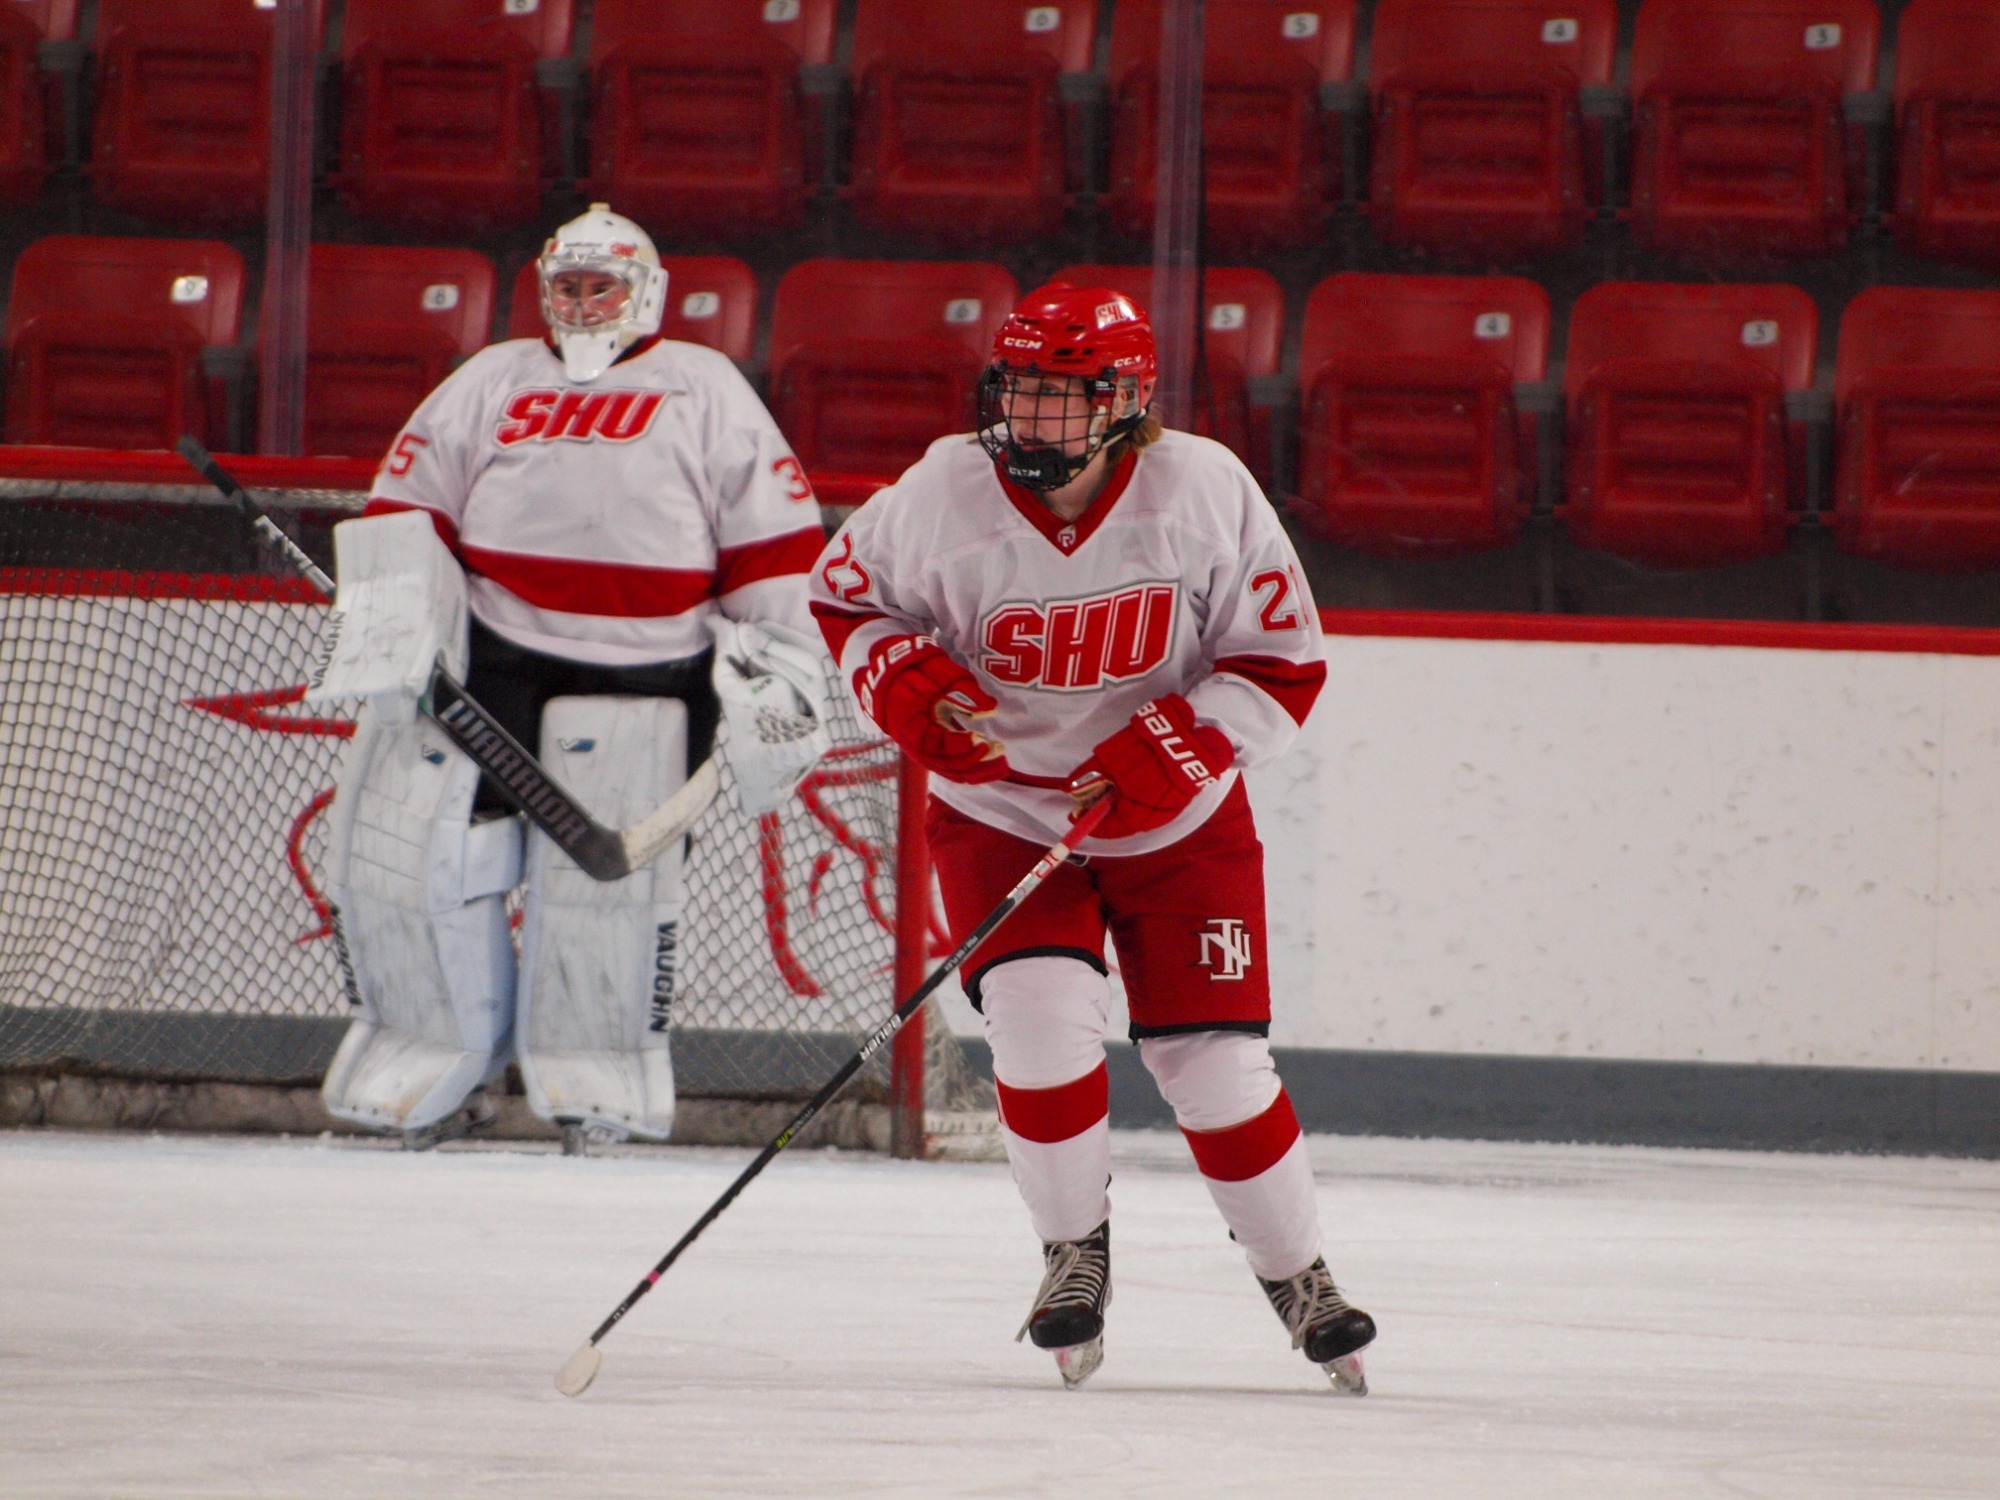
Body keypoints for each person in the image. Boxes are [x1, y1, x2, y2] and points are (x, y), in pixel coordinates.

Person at [808, 283, 1377, 1391]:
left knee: (1211, 1065)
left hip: (1179, 823)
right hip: (1002, 811)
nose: (1029, 416)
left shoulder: (1202, 489)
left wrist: (1175, 747)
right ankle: (1072, 1256)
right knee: (1034, 1024)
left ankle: (1297, 1275)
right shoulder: (941, 489)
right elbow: (844, 598)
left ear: (1125, 401)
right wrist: (907, 682)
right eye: (1016, 387)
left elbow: (1281, 661)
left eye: (1059, 397)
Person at [315, 203, 825, 1152]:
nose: (585, 305)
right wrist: (395, 627)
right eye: (569, 286)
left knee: (608, 891)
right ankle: (433, 1062)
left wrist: (785, 662)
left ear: (648, 292)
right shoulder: (491, 380)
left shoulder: (704, 387)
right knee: (415, 856)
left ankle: (598, 1081)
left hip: (652, 674)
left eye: (604, 286)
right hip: (494, 659)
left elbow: (773, 542)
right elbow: (407, 508)